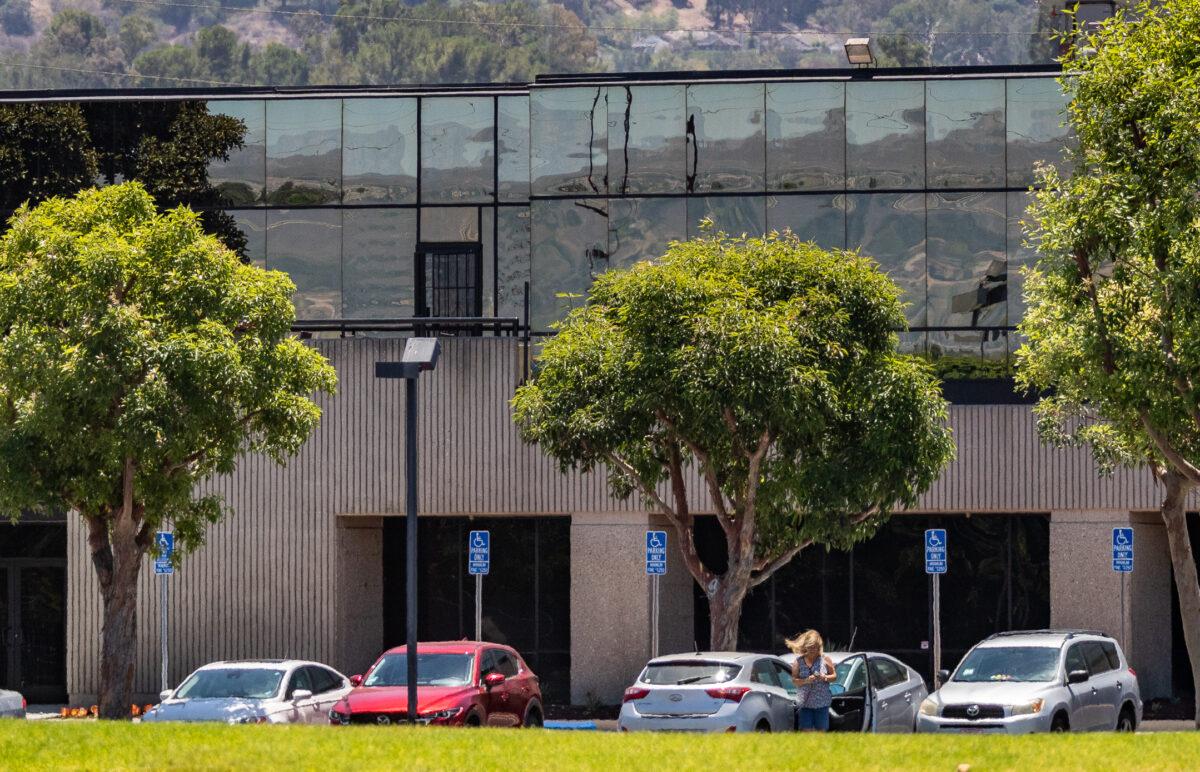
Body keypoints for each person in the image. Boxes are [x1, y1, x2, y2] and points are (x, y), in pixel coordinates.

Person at [787, 629, 836, 731]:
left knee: (821, 733)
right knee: (806, 733)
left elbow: (834, 676)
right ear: (805, 646)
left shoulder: (825, 659)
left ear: (819, 646)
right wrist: (806, 680)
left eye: (815, 647)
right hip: (805, 704)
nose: (813, 650)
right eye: (810, 647)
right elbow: (794, 680)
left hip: (822, 703)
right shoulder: (798, 661)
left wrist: (825, 677)